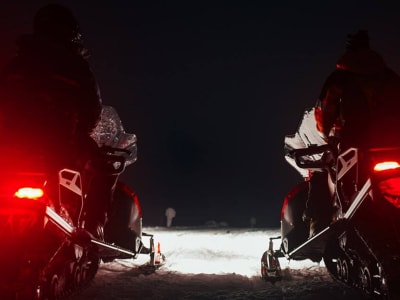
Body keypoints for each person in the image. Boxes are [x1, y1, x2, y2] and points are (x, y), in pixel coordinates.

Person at [0, 4, 116, 239]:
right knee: (106, 167)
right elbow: (91, 109)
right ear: (68, 32)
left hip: (11, 142)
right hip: (60, 142)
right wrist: (81, 131)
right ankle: (93, 228)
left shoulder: (16, 64)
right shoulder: (76, 67)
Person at [303, 30, 400, 237]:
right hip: (393, 142)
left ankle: (317, 225)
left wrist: (326, 135)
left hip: (353, 141)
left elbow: (324, 113)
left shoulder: (339, 78)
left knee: (320, 171)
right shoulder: (390, 76)